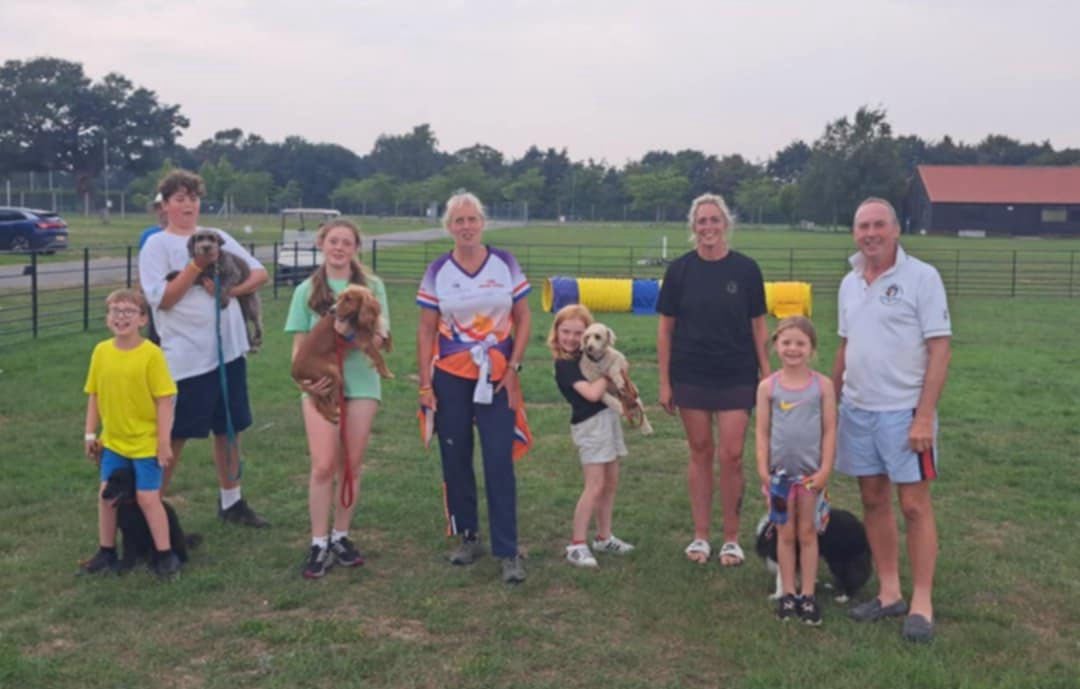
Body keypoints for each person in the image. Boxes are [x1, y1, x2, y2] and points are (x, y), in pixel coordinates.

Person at [832, 197, 951, 643]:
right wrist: (830, 399)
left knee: (914, 505)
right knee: (873, 499)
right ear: (854, 233)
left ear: (896, 229)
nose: (871, 234)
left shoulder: (922, 277)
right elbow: (846, 346)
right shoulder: (849, 283)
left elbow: (940, 349)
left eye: (879, 225)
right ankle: (889, 593)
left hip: (905, 412)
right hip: (858, 409)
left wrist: (924, 415)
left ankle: (922, 602)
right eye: (863, 226)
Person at [137, 169, 270, 527]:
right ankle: (149, 512)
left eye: (193, 199)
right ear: (165, 205)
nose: (188, 205)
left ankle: (232, 502)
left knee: (230, 427)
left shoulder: (218, 237)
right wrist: (197, 266)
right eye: (179, 199)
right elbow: (163, 299)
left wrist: (229, 291)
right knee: (175, 433)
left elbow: (259, 274)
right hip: (186, 356)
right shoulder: (157, 246)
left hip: (229, 352)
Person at [416, 191, 531, 584]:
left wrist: (514, 367)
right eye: (458, 221)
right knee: (456, 457)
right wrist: (425, 384)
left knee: (498, 459)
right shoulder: (437, 270)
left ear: (483, 222)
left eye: (472, 219)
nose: (466, 227)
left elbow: (524, 317)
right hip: (451, 375)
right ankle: (468, 536)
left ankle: (508, 549)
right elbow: (426, 329)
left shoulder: (505, 263)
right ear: (449, 227)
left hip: (498, 374)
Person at [657, 192, 770, 567]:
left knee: (732, 455)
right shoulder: (679, 271)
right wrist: (665, 382)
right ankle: (702, 535)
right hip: (691, 373)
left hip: (737, 374)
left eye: (714, 220)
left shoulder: (747, 270)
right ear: (693, 226)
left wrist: (767, 377)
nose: (708, 227)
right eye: (702, 221)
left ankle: (732, 538)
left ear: (726, 224)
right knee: (701, 451)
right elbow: (665, 330)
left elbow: (758, 327)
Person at [285, 219, 389, 579]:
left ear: (355, 247)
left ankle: (341, 536)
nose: (339, 248)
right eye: (333, 241)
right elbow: (299, 345)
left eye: (346, 242)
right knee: (323, 465)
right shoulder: (306, 290)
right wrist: (305, 382)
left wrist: (350, 333)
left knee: (351, 464)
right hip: (321, 384)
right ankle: (318, 542)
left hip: (361, 383)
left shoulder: (372, 287)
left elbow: (381, 336)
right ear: (322, 245)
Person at [79, 289, 180, 578]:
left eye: (128, 312)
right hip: (113, 442)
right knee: (106, 496)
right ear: (107, 318)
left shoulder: (151, 355)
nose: (121, 318)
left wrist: (163, 442)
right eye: (115, 311)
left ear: (143, 319)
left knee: (147, 498)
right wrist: (90, 434)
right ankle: (107, 552)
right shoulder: (101, 352)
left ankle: (165, 555)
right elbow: (94, 394)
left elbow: (164, 400)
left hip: (145, 442)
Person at [754, 316, 837, 624]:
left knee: (808, 534)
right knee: (785, 534)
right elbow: (762, 431)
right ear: (776, 345)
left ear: (811, 349)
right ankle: (788, 593)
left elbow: (830, 430)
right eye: (786, 342)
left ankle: (808, 595)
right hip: (779, 479)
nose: (792, 349)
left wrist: (825, 469)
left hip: (810, 478)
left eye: (800, 343)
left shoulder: (822, 386)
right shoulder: (768, 387)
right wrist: (763, 469)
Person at [549, 304, 636, 568]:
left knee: (610, 482)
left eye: (579, 333)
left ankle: (603, 537)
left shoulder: (588, 357)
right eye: (566, 332)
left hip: (608, 420)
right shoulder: (565, 365)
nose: (572, 338)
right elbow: (591, 393)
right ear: (556, 332)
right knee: (595, 485)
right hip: (590, 426)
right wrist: (610, 372)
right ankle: (576, 544)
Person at [138, 192, 168, 345]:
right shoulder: (148, 235)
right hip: (154, 289)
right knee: (155, 331)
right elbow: (142, 264)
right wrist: (141, 287)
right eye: (159, 207)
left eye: (164, 206)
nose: (162, 211)